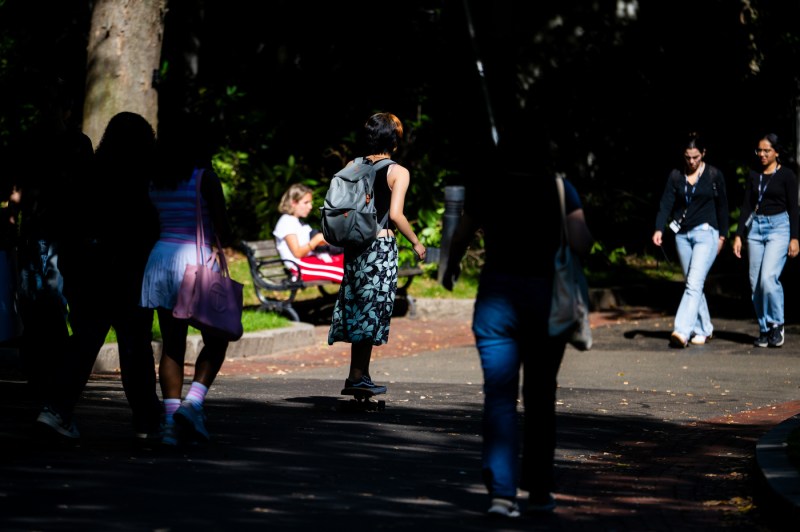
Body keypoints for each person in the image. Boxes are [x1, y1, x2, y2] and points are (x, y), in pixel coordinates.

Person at [442, 161, 593, 517]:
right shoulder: (559, 187)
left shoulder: (491, 184)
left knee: (499, 396)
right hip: (546, 301)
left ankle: (501, 495)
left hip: (497, 299)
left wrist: (451, 266)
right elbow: (581, 241)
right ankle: (539, 492)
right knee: (541, 396)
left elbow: (462, 234)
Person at [34, 111, 162, 441]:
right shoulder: (141, 180)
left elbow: (68, 222)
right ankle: (147, 420)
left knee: (85, 340)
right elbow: (148, 227)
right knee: (135, 347)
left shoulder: (89, 173)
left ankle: (57, 409)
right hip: (128, 273)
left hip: (87, 271)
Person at [140, 123, 235, 447]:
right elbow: (223, 229)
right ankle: (193, 404)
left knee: (172, 343)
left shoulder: (155, 179)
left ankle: (169, 422)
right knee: (218, 336)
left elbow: (152, 222)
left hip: (161, 260)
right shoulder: (204, 178)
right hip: (195, 263)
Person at [327, 112, 426, 395]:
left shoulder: (352, 165)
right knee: (372, 310)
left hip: (354, 245)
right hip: (379, 247)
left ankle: (359, 374)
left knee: (359, 307)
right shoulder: (398, 172)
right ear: (394, 140)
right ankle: (357, 376)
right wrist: (416, 242)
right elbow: (395, 214)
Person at [652, 133, 729, 348]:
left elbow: (723, 206)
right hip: (682, 236)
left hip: (707, 233)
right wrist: (659, 228)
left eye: (695, 157)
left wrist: (723, 236)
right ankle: (705, 328)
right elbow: (665, 203)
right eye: (688, 157)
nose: (691, 161)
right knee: (692, 283)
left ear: (703, 154)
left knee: (694, 283)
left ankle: (681, 331)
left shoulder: (714, 175)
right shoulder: (676, 176)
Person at [733, 133, 799, 348]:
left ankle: (777, 324)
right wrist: (738, 235)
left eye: (766, 150)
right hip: (756, 229)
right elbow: (746, 206)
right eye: (759, 150)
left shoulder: (787, 175)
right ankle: (764, 327)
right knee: (755, 283)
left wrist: (795, 238)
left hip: (779, 228)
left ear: (776, 152)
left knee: (768, 278)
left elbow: (794, 208)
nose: (761, 154)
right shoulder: (754, 174)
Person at [273, 183, 344, 283]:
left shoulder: (299, 222)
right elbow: (297, 253)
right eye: (306, 203)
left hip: (312, 259)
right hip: (299, 266)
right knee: (345, 273)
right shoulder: (286, 222)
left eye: (310, 202)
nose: (310, 207)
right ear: (294, 203)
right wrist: (316, 240)